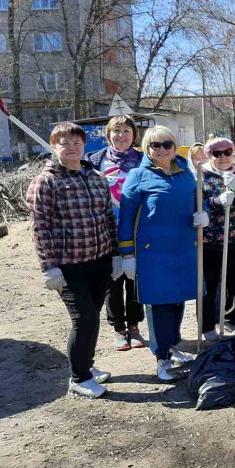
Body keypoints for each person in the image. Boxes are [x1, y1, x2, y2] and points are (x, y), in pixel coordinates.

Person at [27, 123, 118, 398]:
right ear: (54, 146)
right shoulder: (46, 181)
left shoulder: (96, 177)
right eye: (65, 143)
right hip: (68, 265)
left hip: (99, 260)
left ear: (83, 145)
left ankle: (86, 366)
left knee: (93, 316)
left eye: (77, 142)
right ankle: (79, 378)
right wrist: (49, 267)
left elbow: (108, 219)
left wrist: (115, 255)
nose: (72, 147)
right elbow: (39, 227)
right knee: (85, 319)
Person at [117, 125, 206, 381]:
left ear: (175, 146)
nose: (162, 150)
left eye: (167, 144)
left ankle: (173, 346)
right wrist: (127, 255)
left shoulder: (186, 173)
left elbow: (198, 200)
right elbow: (126, 218)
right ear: (147, 148)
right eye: (155, 145)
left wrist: (204, 214)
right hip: (153, 254)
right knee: (159, 306)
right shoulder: (138, 175)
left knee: (178, 301)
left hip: (183, 250)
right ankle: (162, 358)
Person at [86, 115, 146, 352]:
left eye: (126, 132)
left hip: (136, 229)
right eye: (116, 131)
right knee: (113, 280)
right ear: (108, 133)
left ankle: (134, 326)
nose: (121, 136)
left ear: (134, 136)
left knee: (135, 280)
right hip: (106, 230)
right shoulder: (92, 162)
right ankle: (118, 329)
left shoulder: (144, 160)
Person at [199, 137, 235, 341]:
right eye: (217, 154)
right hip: (210, 241)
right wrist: (216, 202)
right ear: (210, 155)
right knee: (210, 285)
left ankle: (233, 320)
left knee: (234, 283)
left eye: (227, 152)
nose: (223, 157)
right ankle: (207, 325)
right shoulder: (201, 176)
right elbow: (196, 203)